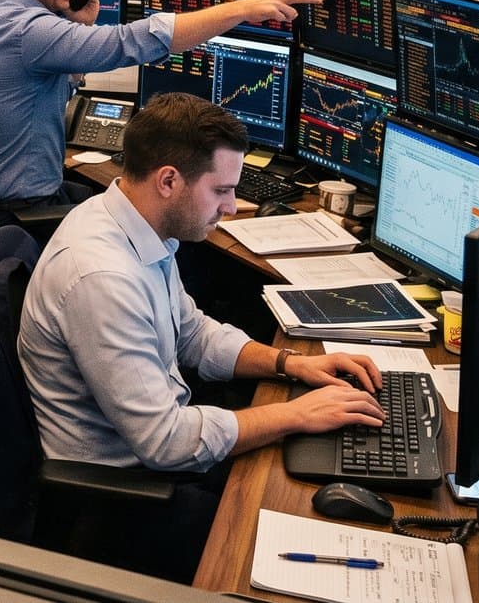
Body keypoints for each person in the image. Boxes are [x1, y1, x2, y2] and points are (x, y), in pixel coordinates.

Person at [19, 92, 383, 578]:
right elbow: (165, 441)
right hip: (121, 495)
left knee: (303, 469)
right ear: (168, 180)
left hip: (156, 451)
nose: (232, 207)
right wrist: (293, 414)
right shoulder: (102, 277)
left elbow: (190, 333)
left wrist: (291, 364)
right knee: (285, 534)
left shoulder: (137, 224)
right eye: (221, 190)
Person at [0, 0, 320, 211]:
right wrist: (243, 9)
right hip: (25, 209)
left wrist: (79, 25)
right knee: (162, 216)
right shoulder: (28, 30)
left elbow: (35, 88)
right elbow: (129, 41)